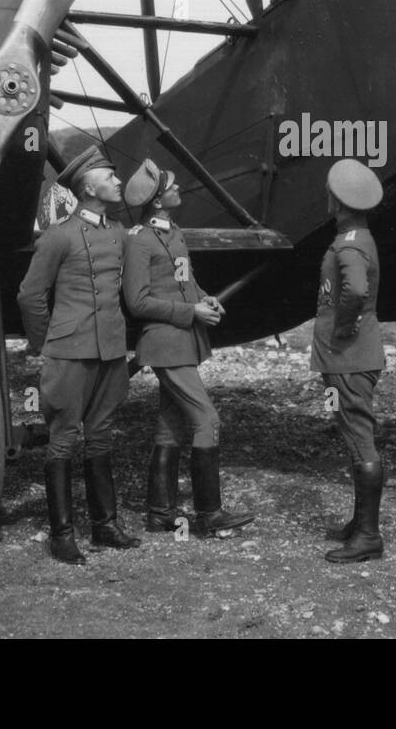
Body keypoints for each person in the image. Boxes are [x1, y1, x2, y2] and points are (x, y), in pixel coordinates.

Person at [17, 145, 141, 564]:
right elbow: (30, 295)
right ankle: (62, 533)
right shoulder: (59, 237)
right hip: (69, 352)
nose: (118, 182)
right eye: (111, 176)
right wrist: (43, 344)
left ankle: (105, 527)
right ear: (89, 187)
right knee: (64, 439)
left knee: (102, 434)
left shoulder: (118, 233)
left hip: (109, 348)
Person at [122, 158, 255, 538]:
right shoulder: (140, 240)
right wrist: (189, 310)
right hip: (164, 344)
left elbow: (184, 279)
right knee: (207, 420)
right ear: (158, 201)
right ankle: (209, 514)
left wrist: (205, 298)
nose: (179, 189)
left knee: (171, 425)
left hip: (181, 342)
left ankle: (160, 513)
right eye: (172, 186)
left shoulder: (173, 233)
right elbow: (137, 302)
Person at [314, 158, 387, 564]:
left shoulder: (349, 244)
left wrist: (343, 326)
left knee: (360, 438)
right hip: (354, 351)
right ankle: (359, 524)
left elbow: (355, 291)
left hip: (349, 352)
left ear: (338, 202)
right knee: (352, 435)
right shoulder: (358, 235)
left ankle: (369, 537)